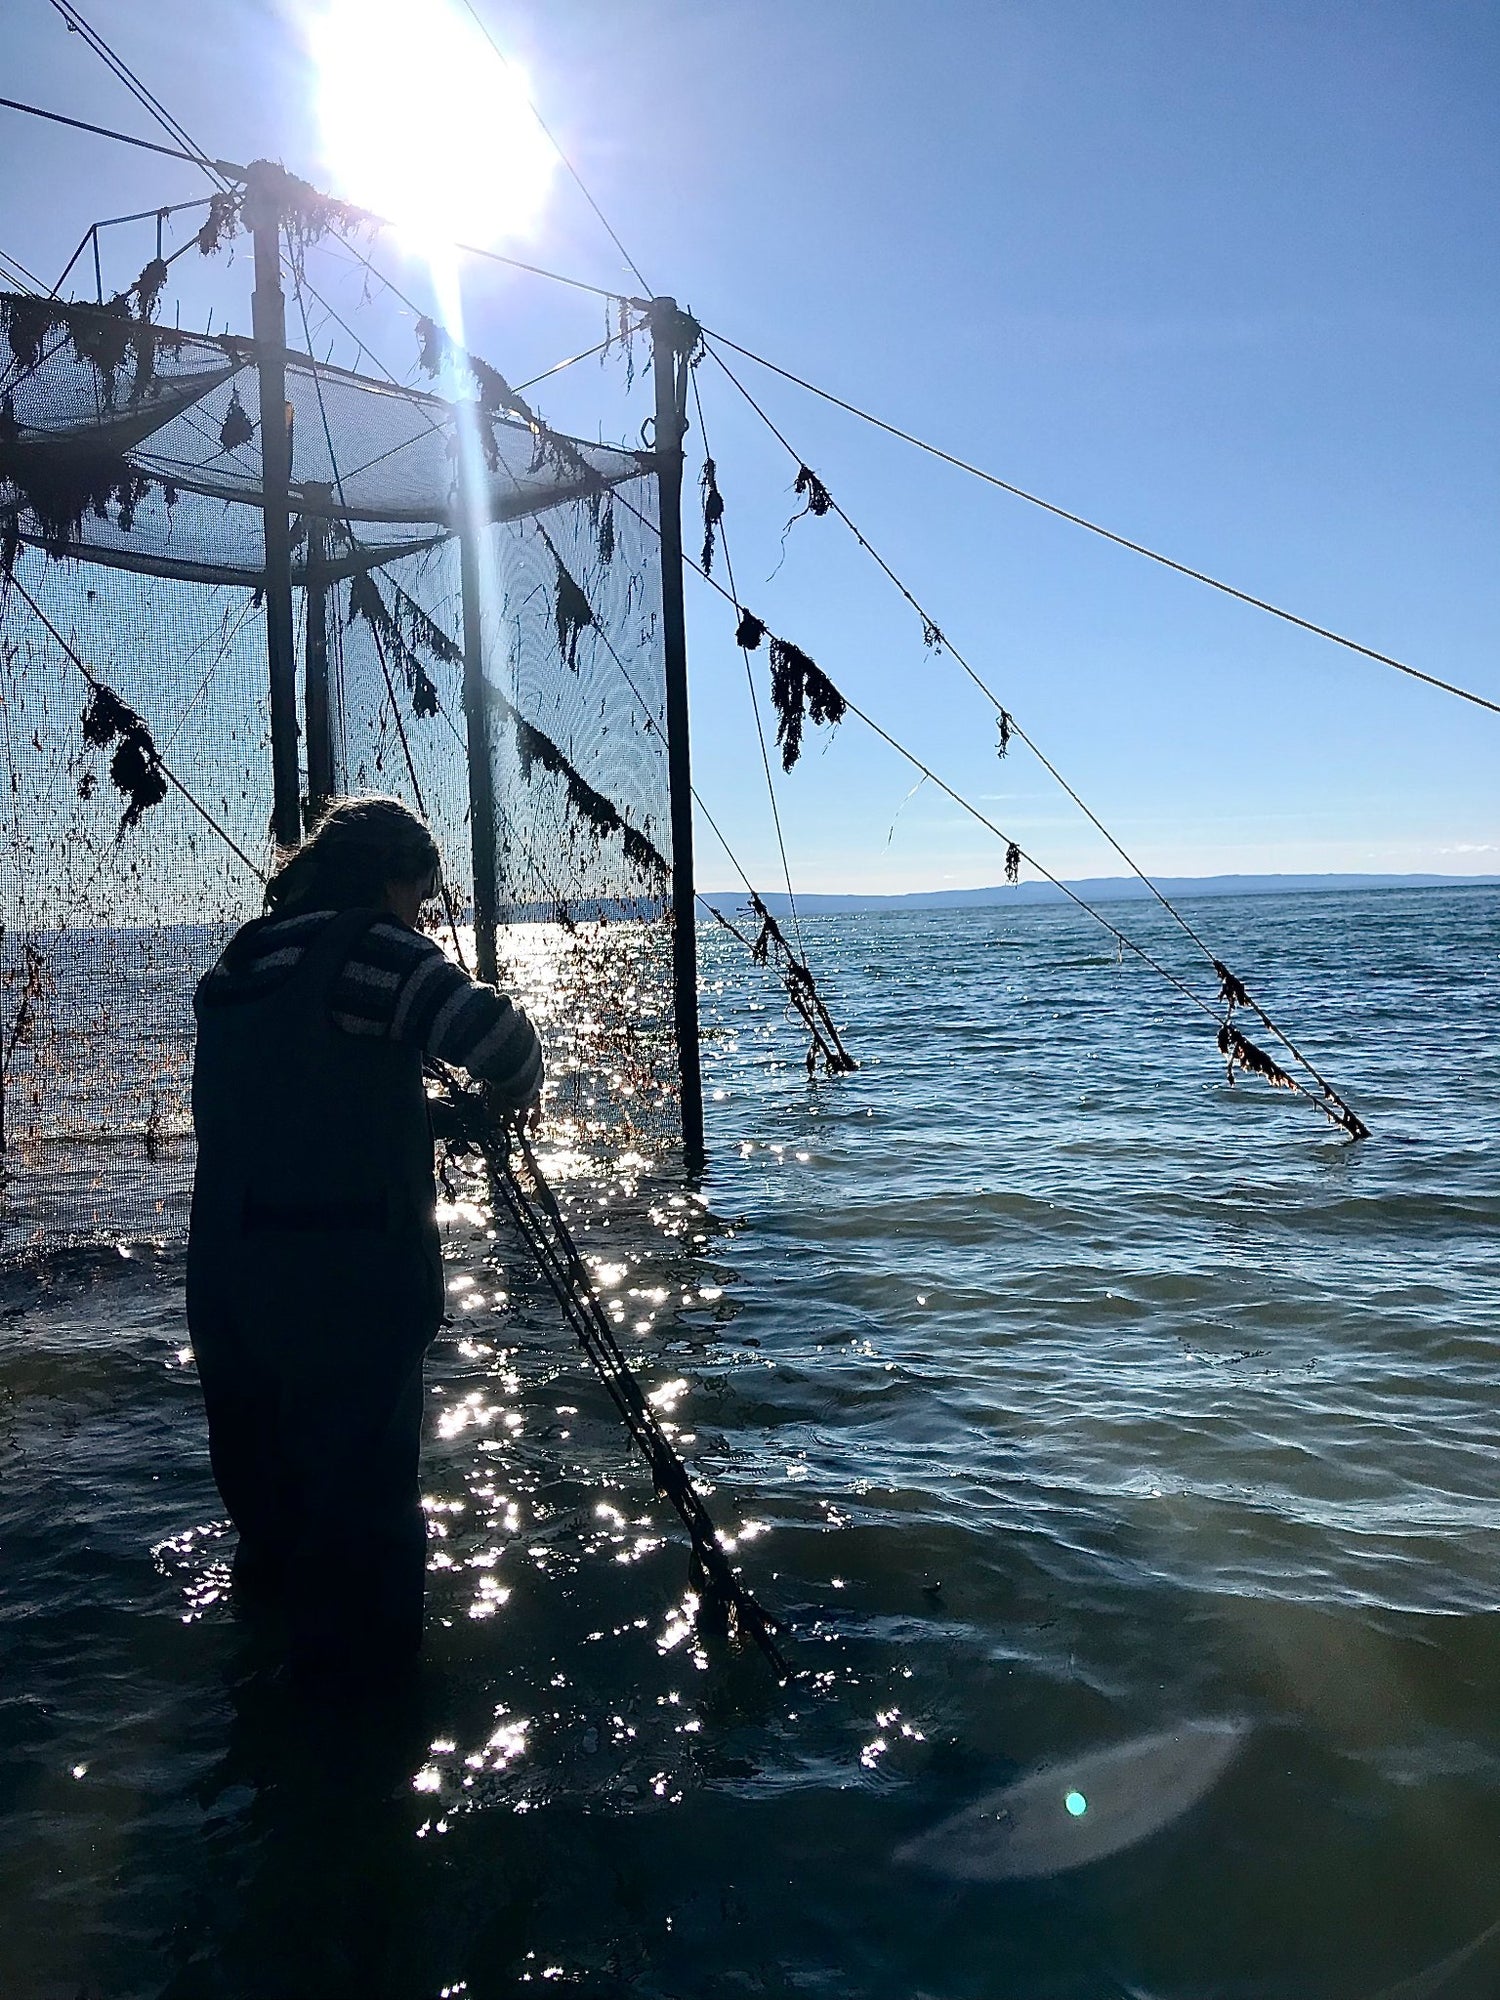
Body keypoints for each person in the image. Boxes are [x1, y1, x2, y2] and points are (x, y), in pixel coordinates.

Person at [186, 795, 542, 1681]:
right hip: (343, 1292)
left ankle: (268, 1746)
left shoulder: (242, 960)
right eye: (420, 898)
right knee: (365, 1536)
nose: (421, 917)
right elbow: (499, 1039)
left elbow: (303, 1109)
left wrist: (414, 1115)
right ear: (392, 879)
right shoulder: (376, 948)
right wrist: (510, 1093)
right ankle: (367, 1756)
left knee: (273, 1521)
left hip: (229, 1282)